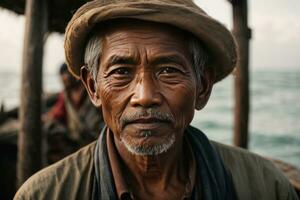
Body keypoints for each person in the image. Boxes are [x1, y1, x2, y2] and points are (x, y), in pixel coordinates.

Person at [14, 0, 298, 199]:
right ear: (93, 88)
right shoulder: (43, 194)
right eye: (121, 72)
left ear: (203, 87)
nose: (145, 96)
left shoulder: (266, 187)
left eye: (169, 70)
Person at [43, 63, 104, 163]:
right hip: (75, 139)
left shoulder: (91, 90)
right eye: (62, 78)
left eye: (67, 77)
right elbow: (58, 112)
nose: (64, 80)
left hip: (96, 138)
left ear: (75, 76)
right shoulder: (65, 95)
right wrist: (47, 117)